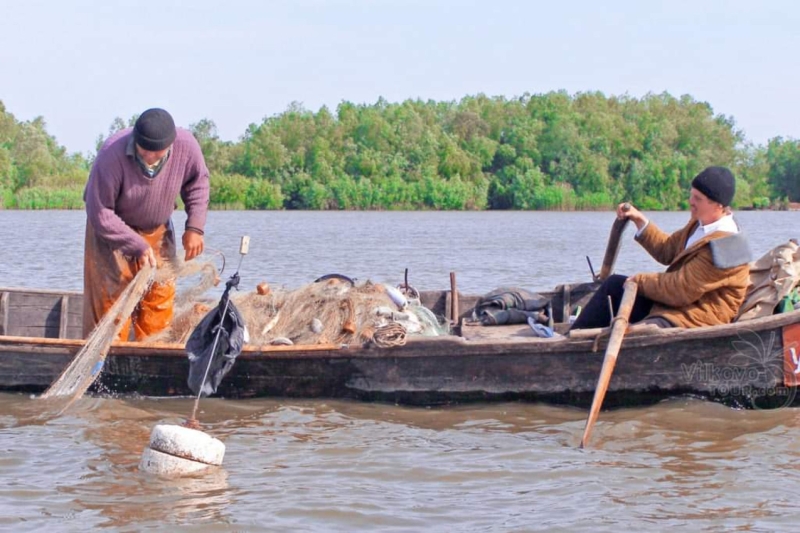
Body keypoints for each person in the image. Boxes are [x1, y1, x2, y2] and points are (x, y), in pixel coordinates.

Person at [570, 166, 751, 331]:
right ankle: (571, 339)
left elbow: (680, 288)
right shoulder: (699, 224)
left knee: (636, 336)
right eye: (691, 195)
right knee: (615, 285)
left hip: (697, 317)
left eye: (698, 198)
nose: (691, 201)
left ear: (718, 205)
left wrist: (639, 281)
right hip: (677, 305)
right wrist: (639, 220)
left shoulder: (726, 246)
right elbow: (667, 250)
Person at [83, 108, 210, 340]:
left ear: (171, 145)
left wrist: (195, 227)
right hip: (112, 235)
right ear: (135, 141)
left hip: (157, 230)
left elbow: (198, 183)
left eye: (157, 153)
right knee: (112, 309)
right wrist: (137, 246)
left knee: (159, 302)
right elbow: (99, 213)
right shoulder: (111, 154)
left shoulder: (186, 145)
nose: (150, 158)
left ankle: (153, 356)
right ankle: (110, 361)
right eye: (144, 152)